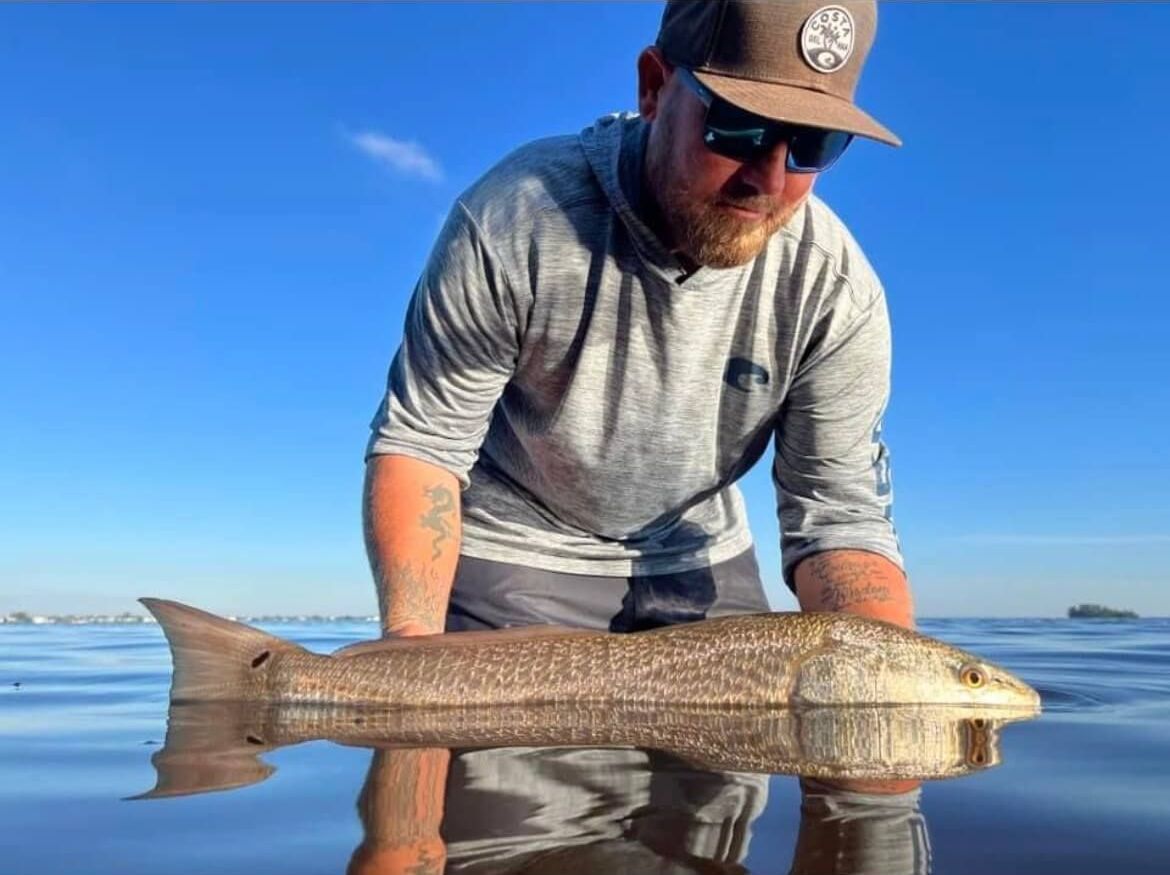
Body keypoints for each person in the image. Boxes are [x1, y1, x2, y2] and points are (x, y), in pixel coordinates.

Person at [363, 0, 913, 640]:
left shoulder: (834, 290)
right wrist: (414, 658)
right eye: (739, 127)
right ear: (654, 86)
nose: (768, 179)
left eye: (812, 145)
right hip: (515, 554)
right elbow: (424, 445)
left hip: (698, 558)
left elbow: (838, 514)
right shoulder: (514, 221)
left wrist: (894, 682)